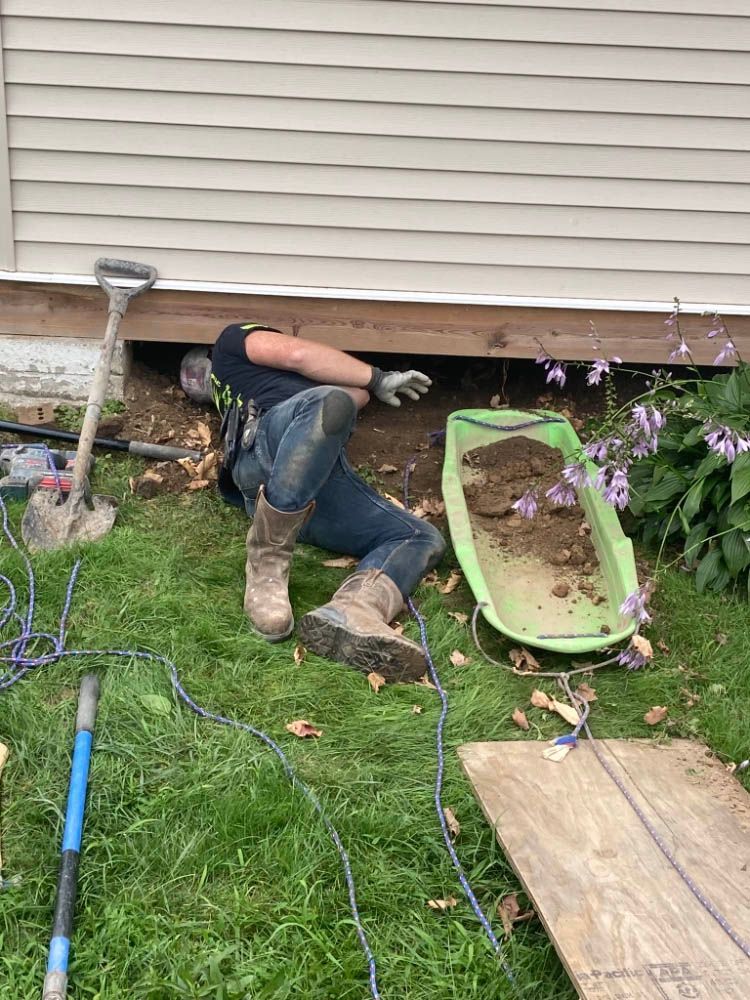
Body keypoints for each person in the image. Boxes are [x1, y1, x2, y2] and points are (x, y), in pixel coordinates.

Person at [206, 323, 446, 682]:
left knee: (421, 537)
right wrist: (378, 377)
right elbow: (297, 356)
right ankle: (267, 564)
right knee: (329, 402)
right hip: (263, 451)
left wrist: (364, 384)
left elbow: (352, 398)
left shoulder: (318, 393)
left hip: (313, 483)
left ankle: (357, 607)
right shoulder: (231, 342)